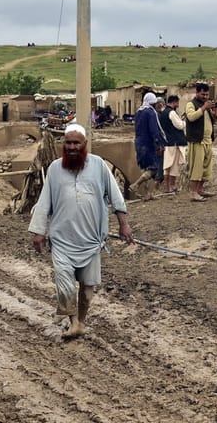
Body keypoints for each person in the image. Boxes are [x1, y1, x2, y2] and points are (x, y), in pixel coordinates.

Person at [29, 123, 134, 339]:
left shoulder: (99, 166)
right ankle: (74, 322)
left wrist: (123, 224)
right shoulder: (55, 169)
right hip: (62, 240)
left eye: (76, 143)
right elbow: (44, 202)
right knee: (65, 284)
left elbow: (116, 197)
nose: (72, 147)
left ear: (85, 144)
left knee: (87, 290)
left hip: (91, 240)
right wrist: (39, 232)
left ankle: (81, 321)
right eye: (68, 143)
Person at [129, 92, 167, 200]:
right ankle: (136, 184)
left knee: (146, 168)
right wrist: (159, 143)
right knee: (153, 168)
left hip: (138, 142)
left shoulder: (139, 112)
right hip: (148, 143)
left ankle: (148, 194)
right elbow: (154, 130)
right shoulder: (151, 113)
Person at [185, 82, 217, 201]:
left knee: (206, 168)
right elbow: (191, 117)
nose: (205, 96)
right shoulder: (191, 104)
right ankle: (193, 192)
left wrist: (214, 114)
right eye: (203, 94)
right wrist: (204, 108)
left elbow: (212, 121)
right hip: (197, 140)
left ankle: (200, 190)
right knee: (196, 167)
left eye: (207, 94)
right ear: (197, 93)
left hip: (208, 141)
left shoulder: (206, 105)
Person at [159, 95, 187, 194]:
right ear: (174, 102)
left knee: (167, 166)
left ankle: (168, 187)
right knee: (173, 166)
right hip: (174, 143)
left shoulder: (163, 113)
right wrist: (185, 122)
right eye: (177, 103)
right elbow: (179, 125)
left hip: (167, 142)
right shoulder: (171, 112)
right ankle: (170, 187)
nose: (178, 105)